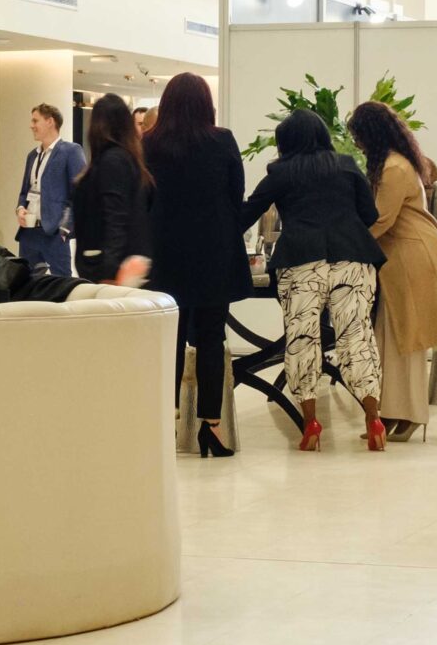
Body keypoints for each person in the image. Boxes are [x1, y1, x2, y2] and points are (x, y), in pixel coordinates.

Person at [240, 113, 385, 451]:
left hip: (302, 262)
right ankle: (373, 419)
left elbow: (246, 214)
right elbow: (370, 215)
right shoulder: (346, 165)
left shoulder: (281, 172)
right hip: (352, 258)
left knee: (302, 339)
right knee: (357, 337)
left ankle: (311, 424)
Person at [145, 73, 249, 457]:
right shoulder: (222, 140)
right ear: (206, 104)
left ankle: (165, 424)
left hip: (165, 254)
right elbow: (236, 195)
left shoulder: (148, 143)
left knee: (168, 339)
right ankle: (212, 428)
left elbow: (143, 199)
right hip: (213, 253)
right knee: (210, 337)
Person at [348, 99, 437, 443]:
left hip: (410, 255)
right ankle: (392, 412)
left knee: (407, 341)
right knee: (390, 339)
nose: (358, 144)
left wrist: (347, 244)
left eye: (359, 137)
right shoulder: (397, 161)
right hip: (404, 255)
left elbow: (382, 220)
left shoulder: (393, 168)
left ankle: (411, 415)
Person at [73, 92, 155, 287]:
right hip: (113, 266)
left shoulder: (113, 161)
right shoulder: (126, 159)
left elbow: (115, 218)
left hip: (108, 270)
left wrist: (111, 269)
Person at [14, 102, 89, 277]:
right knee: (26, 284)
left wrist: (65, 229)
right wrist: (20, 208)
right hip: (29, 233)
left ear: (50, 122)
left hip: (54, 233)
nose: (31, 126)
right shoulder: (32, 156)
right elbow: (25, 191)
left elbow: (80, 194)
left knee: (61, 284)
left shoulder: (70, 151)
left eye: (35, 121)